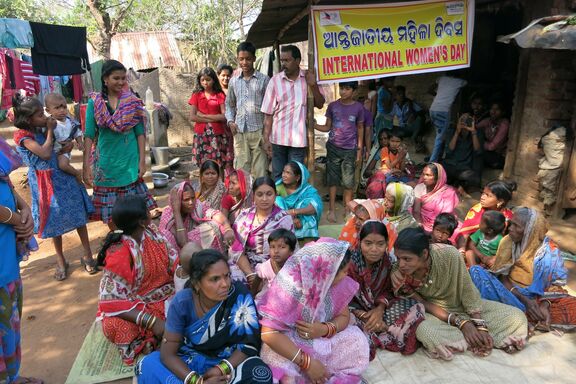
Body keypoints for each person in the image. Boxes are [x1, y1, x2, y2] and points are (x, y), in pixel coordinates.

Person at [136, 250, 273, 384]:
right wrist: (198, 381)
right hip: (190, 359)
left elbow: (249, 344)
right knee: (146, 365)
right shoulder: (182, 302)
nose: (225, 284)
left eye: (227, 276)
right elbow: (168, 354)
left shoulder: (238, 295)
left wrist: (220, 369)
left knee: (260, 374)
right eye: (215, 279)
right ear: (197, 284)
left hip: (229, 360)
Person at [392, 227, 528, 360]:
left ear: (424, 254)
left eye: (407, 259)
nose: (401, 264)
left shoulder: (449, 254)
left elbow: (467, 289)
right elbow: (422, 303)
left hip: (465, 306)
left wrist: (481, 326)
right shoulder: (398, 274)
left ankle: (475, 338)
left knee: (517, 317)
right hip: (436, 315)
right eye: (398, 258)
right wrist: (462, 323)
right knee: (425, 331)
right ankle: (477, 340)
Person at [258, 238, 370, 383]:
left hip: (321, 337)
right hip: (291, 343)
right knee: (273, 355)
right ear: (327, 272)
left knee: (356, 338)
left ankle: (330, 375)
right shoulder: (289, 287)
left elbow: (344, 316)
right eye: (343, 272)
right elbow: (269, 334)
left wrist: (324, 329)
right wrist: (307, 363)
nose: (346, 276)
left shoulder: (337, 284)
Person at [13, 95, 97, 281]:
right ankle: (60, 261)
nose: (44, 118)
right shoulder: (23, 136)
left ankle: (88, 255)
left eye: (43, 113)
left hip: (63, 176)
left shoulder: (45, 126)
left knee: (78, 215)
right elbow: (43, 153)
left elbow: (64, 142)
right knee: (54, 222)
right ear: (28, 119)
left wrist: (67, 146)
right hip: (45, 183)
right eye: (39, 115)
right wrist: (50, 132)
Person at [97, 195, 178, 365]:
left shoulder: (153, 233)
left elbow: (173, 260)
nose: (151, 213)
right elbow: (110, 302)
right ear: (142, 221)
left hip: (165, 294)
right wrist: (151, 321)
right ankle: (146, 340)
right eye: (148, 211)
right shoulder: (118, 252)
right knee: (115, 325)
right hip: (134, 306)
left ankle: (152, 339)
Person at [470, 207, 576, 331]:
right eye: (511, 224)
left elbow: (555, 284)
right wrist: (525, 300)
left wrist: (545, 304)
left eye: (516, 226)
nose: (510, 229)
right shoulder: (507, 242)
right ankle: (524, 315)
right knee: (476, 272)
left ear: (530, 231)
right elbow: (501, 277)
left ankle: (519, 315)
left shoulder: (549, 250)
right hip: (511, 292)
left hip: (538, 296)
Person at [83, 60, 157, 227]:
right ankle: (120, 241)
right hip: (106, 163)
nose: (121, 82)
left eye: (123, 78)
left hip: (129, 161)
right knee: (111, 213)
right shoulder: (94, 103)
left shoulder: (132, 101)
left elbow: (140, 133)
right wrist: (86, 165)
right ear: (105, 79)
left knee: (137, 210)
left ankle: (137, 241)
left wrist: (142, 161)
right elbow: (88, 134)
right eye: (116, 78)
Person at [0, 135, 43, 384]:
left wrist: (23, 208)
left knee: (11, 319)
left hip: (7, 252)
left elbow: (6, 181)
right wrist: (15, 219)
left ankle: (11, 377)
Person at [348, 221, 425, 359]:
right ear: (360, 242)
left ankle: (380, 327)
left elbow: (389, 291)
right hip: (353, 311)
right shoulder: (350, 264)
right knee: (346, 323)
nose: (374, 249)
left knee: (412, 305)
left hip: (380, 309)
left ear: (386, 244)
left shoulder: (389, 261)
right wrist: (364, 316)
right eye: (368, 243)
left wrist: (379, 310)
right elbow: (342, 299)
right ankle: (380, 328)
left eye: (380, 244)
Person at [261, 44, 325, 180]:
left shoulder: (308, 79)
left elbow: (319, 104)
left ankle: (292, 201)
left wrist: (313, 86)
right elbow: (268, 114)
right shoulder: (275, 81)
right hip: (278, 139)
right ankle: (278, 202)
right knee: (278, 175)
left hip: (298, 141)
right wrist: (266, 139)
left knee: (294, 177)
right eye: (282, 60)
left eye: (287, 60)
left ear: (297, 61)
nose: (284, 64)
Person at [228, 176, 294, 283]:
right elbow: (236, 249)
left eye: (269, 194)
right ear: (253, 196)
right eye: (259, 194)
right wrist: (250, 274)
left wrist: (266, 269)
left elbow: (289, 250)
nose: (264, 199)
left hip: (274, 264)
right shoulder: (244, 216)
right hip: (245, 264)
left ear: (275, 195)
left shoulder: (284, 219)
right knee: (234, 281)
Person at [315, 81, 364, 223]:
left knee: (348, 182)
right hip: (333, 147)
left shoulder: (358, 108)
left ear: (354, 91)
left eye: (347, 89)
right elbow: (327, 127)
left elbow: (360, 129)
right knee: (332, 180)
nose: (343, 91)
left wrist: (359, 150)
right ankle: (331, 210)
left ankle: (347, 210)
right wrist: (314, 125)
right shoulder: (333, 106)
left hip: (350, 149)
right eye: (342, 88)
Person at [225, 42, 270, 178]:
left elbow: (269, 109)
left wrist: (267, 134)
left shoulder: (264, 80)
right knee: (241, 171)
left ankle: (259, 199)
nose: (244, 62)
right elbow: (229, 105)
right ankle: (244, 199)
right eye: (241, 59)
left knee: (260, 171)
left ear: (254, 59)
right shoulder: (233, 81)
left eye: (248, 59)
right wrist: (230, 122)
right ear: (238, 59)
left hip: (259, 132)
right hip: (239, 132)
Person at [159, 180, 235, 253]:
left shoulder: (197, 205)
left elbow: (215, 214)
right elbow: (184, 243)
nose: (191, 202)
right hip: (179, 252)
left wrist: (228, 229)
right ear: (177, 201)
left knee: (215, 225)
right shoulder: (169, 216)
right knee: (166, 235)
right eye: (186, 200)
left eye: (193, 198)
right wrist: (176, 211)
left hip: (194, 247)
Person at [189, 67, 233, 173]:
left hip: (218, 135)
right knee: (204, 165)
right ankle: (204, 189)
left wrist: (203, 116)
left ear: (213, 80)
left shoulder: (220, 95)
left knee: (219, 164)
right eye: (202, 80)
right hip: (201, 135)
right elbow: (192, 117)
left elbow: (224, 116)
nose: (205, 82)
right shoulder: (196, 95)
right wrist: (214, 118)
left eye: (208, 79)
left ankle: (220, 188)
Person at [275, 161, 322, 242]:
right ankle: (283, 235)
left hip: (300, 220)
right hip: (284, 219)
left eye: (288, 173)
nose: (283, 175)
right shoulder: (278, 187)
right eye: (283, 171)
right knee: (277, 200)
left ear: (297, 177)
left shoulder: (307, 190)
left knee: (307, 207)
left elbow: (314, 207)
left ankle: (307, 238)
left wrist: (294, 212)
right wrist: (290, 219)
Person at [44, 93, 83, 184]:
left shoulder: (71, 122)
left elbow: (77, 132)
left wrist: (80, 142)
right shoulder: (49, 122)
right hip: (51, 150)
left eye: (64, 107)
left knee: (63, 165)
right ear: (48, 110)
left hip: (63, 150)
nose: (62, 111)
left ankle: (76, 173)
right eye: (57, 108)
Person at [428, 73, 467, 162]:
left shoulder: (441, 78)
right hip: (443, 111)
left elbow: (429, 90)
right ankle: (432, 163)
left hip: (433, 109)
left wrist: (439, 96)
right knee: (440, 138)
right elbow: (467, 84)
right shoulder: (460, 81)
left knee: (440, 136)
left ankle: (438, 157)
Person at [413, 162, 460, 233]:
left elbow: (446, 215)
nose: (424, 177)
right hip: (421, 219)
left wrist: (436, 229)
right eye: (423, 174)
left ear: (437, 178)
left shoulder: (448, 192)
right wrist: (420, 226)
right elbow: (416, 211)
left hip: (440, 223)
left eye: (428, 175)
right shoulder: (419, 188)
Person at [366, 131, 414, 199]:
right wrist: (400, 157)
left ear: (401, 142)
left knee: (412, 185)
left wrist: (403, 157)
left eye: (397, 141)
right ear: (389, 141)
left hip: (396, 175)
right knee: (392, 189)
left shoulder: (401, 151)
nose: (394, 144)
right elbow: (389, 166)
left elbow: (402, 169)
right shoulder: (384, 150)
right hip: (387, 175)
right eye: (392, 141)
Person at [442, 113, 484, 190]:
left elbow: (478, 151)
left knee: (473, 179)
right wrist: (457, 132)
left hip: (464, 167)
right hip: (451, 164)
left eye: (468, 119)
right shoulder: (452, 131)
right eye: (462, 119)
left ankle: (456, 181)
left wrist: (473, 132)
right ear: (458, 120)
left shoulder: (477, 133)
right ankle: (455, 181)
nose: (464, 122)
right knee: (439, 169)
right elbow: (449, 150)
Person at [252, 228, 297, 300]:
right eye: (272, 247)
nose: (276, 251)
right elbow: (257, 280)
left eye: (282, 247)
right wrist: (252, 296)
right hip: (267, 301)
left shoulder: (295, 266)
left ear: (291, 251)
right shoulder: (266, 267)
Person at [477, 101, 509, 169]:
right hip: (488, 153)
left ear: (503, 112)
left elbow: (491, 147)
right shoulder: (488, 121)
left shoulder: (504, 124)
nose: (493, 112)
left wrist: (478, 143)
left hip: (499, 156)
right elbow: (475, 127)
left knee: (478, 152)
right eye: (492, 109)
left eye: (497, 109)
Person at [360, 129, 389, 194]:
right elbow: (366, 173)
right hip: (380, 179)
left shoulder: (398, 151)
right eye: (381, 139)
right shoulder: (379, 152)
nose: (383, 141)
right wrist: (377, 172)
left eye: (385, 138)